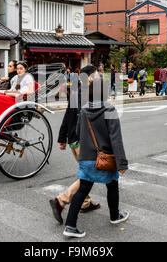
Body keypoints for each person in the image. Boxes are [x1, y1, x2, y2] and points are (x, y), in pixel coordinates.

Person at [63, 74, 129, 239]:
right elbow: (116, 138)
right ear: (105, 92)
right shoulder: (109, 109)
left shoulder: (84, 109)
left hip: (86, 156)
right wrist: (121, 163)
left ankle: (70, 225)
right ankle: (115, 216)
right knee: (112, 184)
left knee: (83, 189)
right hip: (105, 155)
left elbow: (78, 132)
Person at [50, 65, 101, 225]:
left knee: (84, 172)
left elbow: (67, 116)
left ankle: (85, 203)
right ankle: (61, 200)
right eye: (98, 75)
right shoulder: (90, 94)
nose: (100, 78)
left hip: (73, 140)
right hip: (83, 141)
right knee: (89, 174)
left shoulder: (76, 93)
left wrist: (62, 138)